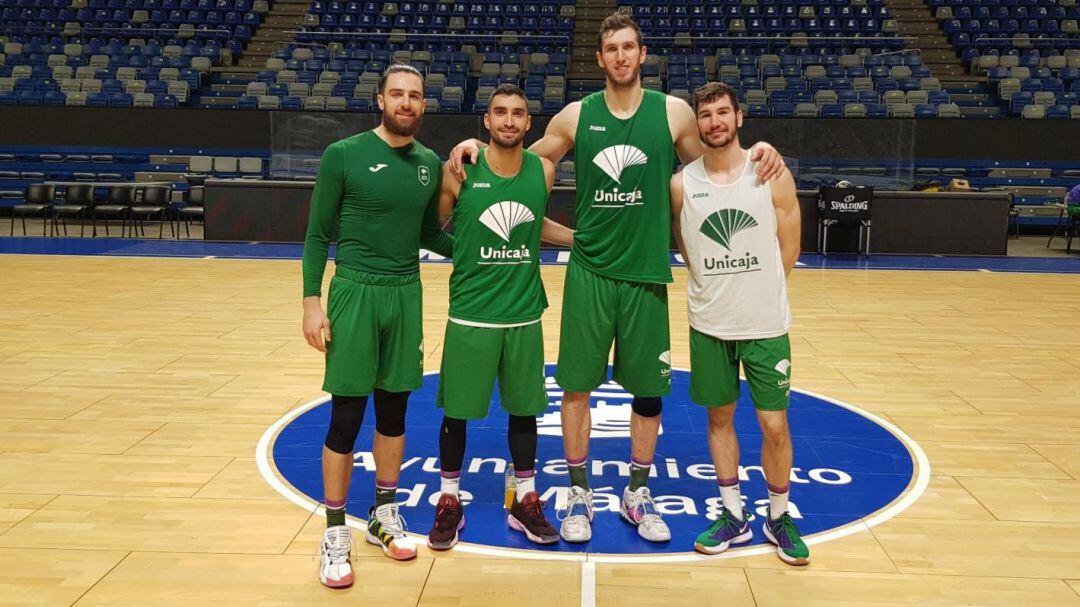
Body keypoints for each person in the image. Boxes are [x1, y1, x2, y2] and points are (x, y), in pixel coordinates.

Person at [449, 13, 788, 544]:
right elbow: (514, 166)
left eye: (629, 47)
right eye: (612, 49)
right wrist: (468, 151)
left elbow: (719, 169)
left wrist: (764, 152)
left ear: (642, 53)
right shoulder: (576, 117)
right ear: (600, 59)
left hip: (646, 275)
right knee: (576, 388)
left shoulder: (672, 113)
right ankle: (580, 493)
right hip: (590, 273)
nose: (622, 56)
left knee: (648, 393)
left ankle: (637, 492)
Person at [302, 64, 454, 588]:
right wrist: (310, 303)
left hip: (405, 292)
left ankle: (383, 515)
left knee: (394, 410)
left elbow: (432, 233)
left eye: (415, 95)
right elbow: (317, 234)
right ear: (380, 100)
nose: (406, 103)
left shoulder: (430, 163)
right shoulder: (343, 154)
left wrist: (488, 255)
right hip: (354, 292)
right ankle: (335, 531)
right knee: (346, 415)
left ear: (424, 105)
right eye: (398, 94)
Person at [427, 83, 575, 550]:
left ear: (529, 124)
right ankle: (449, 500)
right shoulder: (460, 171)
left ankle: (525, 500)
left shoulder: (543, 171)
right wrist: (464, 252)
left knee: (524, 412)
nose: (509, 120)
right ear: (486, 121)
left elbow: (534, 223)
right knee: (457, 414)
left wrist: (580, 239)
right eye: (500, 113)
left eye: (518, 113)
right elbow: (432, 229)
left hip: (524, 314)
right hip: (471, 314)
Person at [669, 82, 808, 565]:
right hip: (709, 322)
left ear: (739, 117)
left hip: (765, 322)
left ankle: (778, 514)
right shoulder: (682, 183)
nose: (714, 122)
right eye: (705, 115)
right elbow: (689, 248)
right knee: (719, 418)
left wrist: (759, 289)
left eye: (722, 112)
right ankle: (733, 514)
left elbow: (789, 245)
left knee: (774, 423)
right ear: (698, 125)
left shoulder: (769, 171)